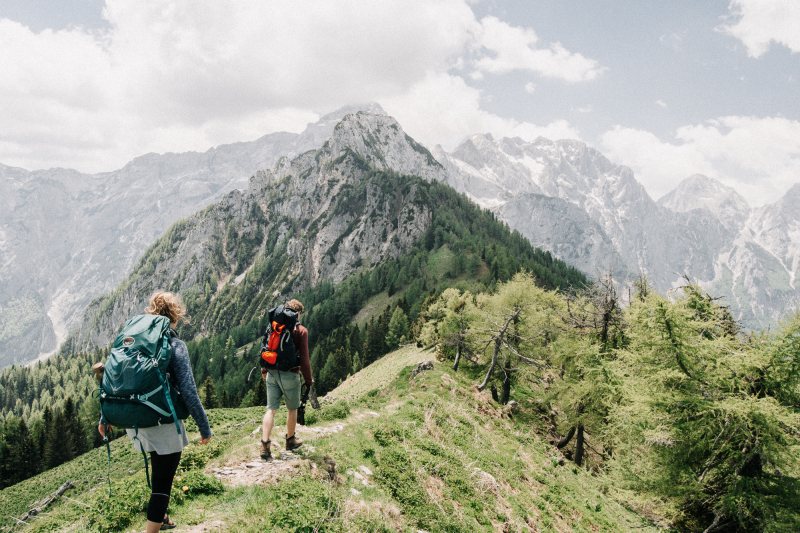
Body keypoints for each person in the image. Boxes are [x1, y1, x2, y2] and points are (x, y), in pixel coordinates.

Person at [98, 291, 211, 533]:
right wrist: (205, 428)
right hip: (162, 421)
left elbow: (118, 381)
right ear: (175, 317)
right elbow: (189, 393)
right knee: (163, 482)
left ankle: (162, 518)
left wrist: (104, 417)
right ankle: (152, 529)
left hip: (135, 421)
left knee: (158, 467)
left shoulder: (135, 344)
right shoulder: (174, 345)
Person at [261, 299, 313, 461]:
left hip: (271, 372)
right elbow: (304, 358)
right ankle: (290, 441)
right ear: (298, 313)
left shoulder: (274, 326)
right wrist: (308, 380)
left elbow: (265, 347)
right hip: (291, 374)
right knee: (292, 409)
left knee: (271, 409)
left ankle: (264, 446)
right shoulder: (301, 330)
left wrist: (264, 370)